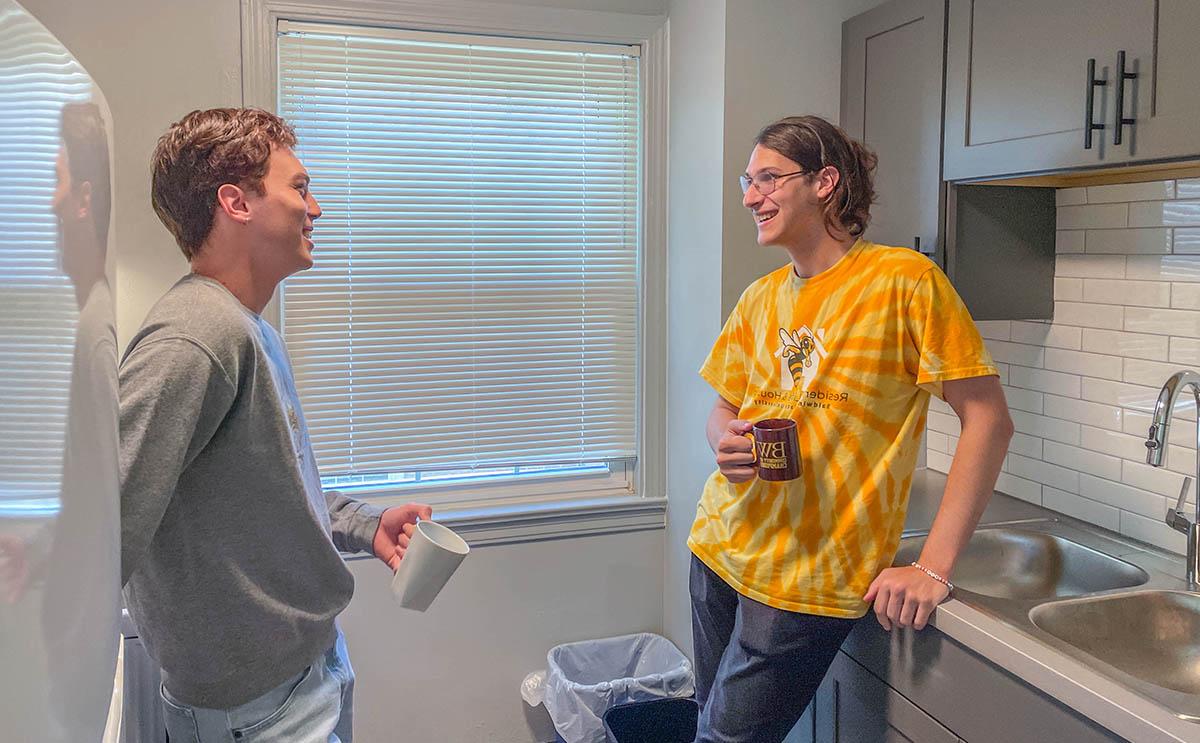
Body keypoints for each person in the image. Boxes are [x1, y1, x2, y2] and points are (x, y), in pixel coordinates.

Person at [688, 115, 1013, 743]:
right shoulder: (760, 298)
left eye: (768, 179)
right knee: (708, 721)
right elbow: (724, 408)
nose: (751, 197)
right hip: (719, 549)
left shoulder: (905, 282)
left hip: (809, 576)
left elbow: (988, 420)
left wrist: (935, 568)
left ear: (825, 182)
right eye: (746, 182)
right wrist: (722, 442)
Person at [119, 107, 430, 742]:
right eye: (300, 188)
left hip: (303, 679)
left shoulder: (246, 327)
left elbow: (267, 488)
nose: (316, 209)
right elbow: (102, 527)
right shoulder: (195, 336)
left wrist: (365, 526)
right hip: (257, 714)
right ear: (236, 202)